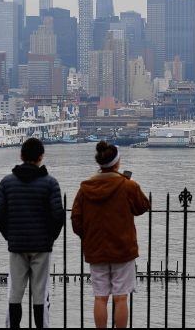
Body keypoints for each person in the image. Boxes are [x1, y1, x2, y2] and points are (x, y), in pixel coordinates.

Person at [71, 141, 150, 329]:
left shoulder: (85, 189)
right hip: (123, 249)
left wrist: (88, 237)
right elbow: (143, 206)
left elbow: (76, 220)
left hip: (96, 250)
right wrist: (128, 181)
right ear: (117, 163)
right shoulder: (127, 185)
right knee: (121, 297)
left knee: (100, 297)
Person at [0, 138, 65, 329]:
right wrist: (50, 238)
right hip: (42, 246)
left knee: (15, 294)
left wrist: (10, 236)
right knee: (40, 294)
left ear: (21, 155)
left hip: (17, 246)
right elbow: (58, 216)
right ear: (41, 156)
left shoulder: (7, 183)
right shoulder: (50, 183)